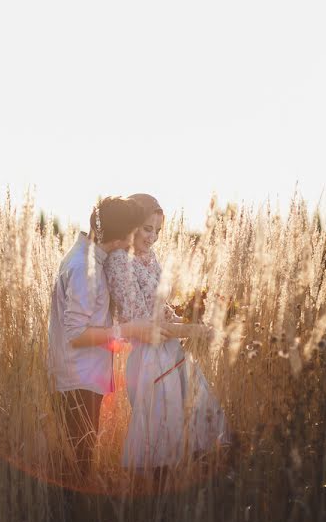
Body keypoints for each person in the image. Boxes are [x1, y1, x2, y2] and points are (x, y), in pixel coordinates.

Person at [103, 193, 229, 472]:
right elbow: (142, 325)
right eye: (147, 228)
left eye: (158, 231)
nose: (152, 237)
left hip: (172, 354)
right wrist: (191, 330)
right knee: (160, 453)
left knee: (196, 439)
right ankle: (153, 511)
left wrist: (198, 321)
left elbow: (162, 310)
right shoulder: (119, 262)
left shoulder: (151, 257)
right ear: (132, 225)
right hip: (149, 362)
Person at [47, 196, 171, 478]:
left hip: (83, 375)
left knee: (79, 461)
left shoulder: (87, 258)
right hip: (77, 380)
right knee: (79, 467)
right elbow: (76, 334)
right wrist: (130, 330)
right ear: (120, 238)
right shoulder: (84, 269)